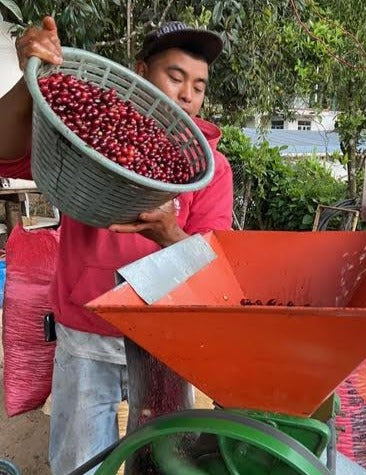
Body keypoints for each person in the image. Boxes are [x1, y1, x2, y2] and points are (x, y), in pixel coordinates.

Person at [0, 17, 233, 474]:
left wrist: (166, 232)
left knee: (163, 462)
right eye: (176, 76)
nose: (188, 94)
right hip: (87, 329)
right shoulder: (87, 141)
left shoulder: (210, 168)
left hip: (165, 340)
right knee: (78, 461)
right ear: (142, 72)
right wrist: (29, 79)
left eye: (200, 86)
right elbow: (5, 149)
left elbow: (211, 261)